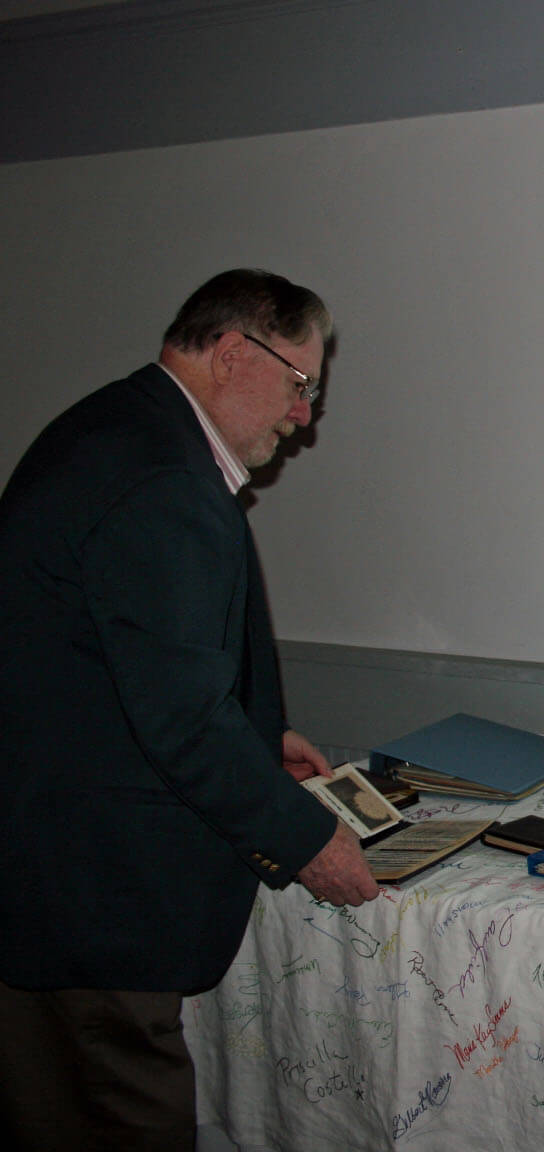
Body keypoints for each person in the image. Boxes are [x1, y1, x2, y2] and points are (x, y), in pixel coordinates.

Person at [0, 269, 380, 1150]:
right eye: (300, 384)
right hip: (91, 901)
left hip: (49, 870)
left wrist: (257, 735)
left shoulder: (118, 428)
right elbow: (179, 719)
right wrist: (308, 840)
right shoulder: (163, 479)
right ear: (228, 352)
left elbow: (106, 662)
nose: (304, 417)